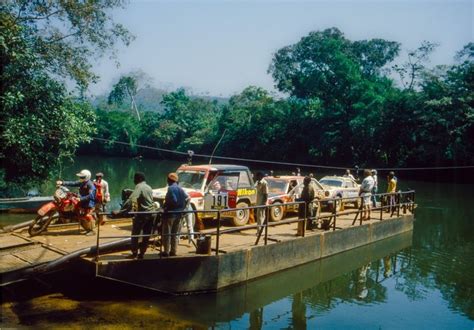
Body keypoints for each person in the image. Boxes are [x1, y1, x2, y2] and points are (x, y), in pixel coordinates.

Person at [114, 172, 154, 259]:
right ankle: (142, 253)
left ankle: (134, 253)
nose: (134, 181)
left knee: (135, 234)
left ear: (139, 179)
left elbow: (131, 199)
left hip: (142, 214)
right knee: (146, 235)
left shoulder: (139, 186)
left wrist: (120, 211)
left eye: (135, 179)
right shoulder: (149, 187)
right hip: (151, 214)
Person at [57, 169, 96, 236]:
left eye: (82, 177)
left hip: (88, 203)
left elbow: (91, 196)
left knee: (87, 216)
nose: (80, 178)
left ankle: (92, 231)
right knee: (77, 212)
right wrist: (63, 183)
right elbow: (73, 183)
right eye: (80, 177)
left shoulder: (90, 185)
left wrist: (81, 198)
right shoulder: (82, 182)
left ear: (87, 177)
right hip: (81, 200)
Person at [163, 172, 188, 257]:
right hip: (179, 215)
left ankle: (166, 252)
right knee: (175, 234)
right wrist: (183, 208)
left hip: (171, 214)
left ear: (169, 180)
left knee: (167, 233)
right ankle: (173, 251)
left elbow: (173, 200)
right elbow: (187, 198)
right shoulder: (181, 189)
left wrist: (166, 207)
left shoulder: (170, 188)